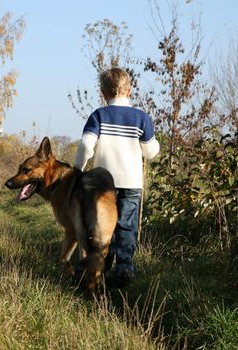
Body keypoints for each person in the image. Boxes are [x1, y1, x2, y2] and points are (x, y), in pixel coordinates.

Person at [74, 67, 160, 285]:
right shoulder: (141, 118)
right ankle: (124, 271)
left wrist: (79, 167)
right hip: (131, 182)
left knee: (103, 227)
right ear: (129, 90)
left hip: (101, 184)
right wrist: (155, 144)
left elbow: (86, 145)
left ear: (103, 93)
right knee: (126, 226)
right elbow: (150, 152)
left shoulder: (99, 115)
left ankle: (101, 269)